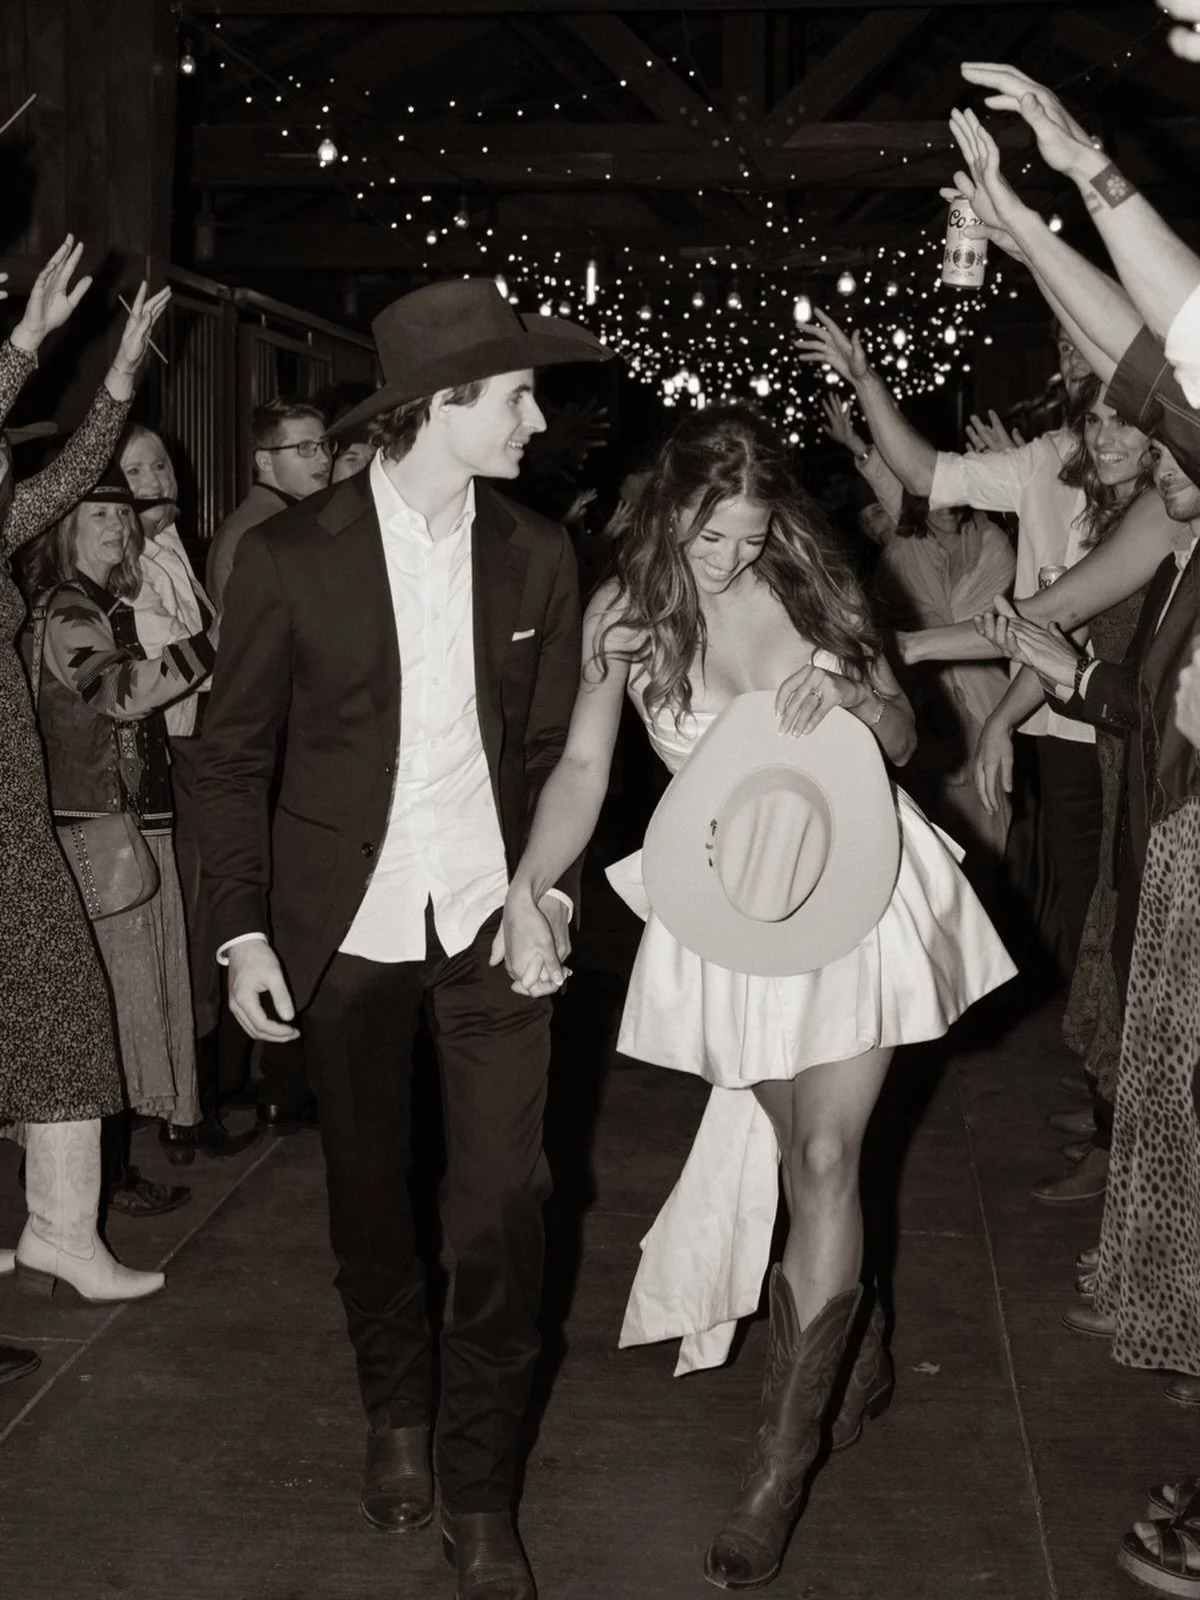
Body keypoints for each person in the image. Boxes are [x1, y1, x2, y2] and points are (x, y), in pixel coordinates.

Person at [499, 405, 1015, 1591]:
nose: (730, 559)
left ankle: (775, 1476)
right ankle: (855, 1322)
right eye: (709, 537)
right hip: (735, 903)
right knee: (796, 1154)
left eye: (748, 533)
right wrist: (534, 880)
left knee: (828, 1162)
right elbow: (584, 767)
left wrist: (848, 696)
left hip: (856, 887)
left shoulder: (816, 585)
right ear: (667, 514)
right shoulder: (625, 616)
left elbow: (901, 733)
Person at [196, 278, 612, 1600]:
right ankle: (397, 1413)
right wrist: (244, 934)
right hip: (346, 935)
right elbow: (227, 760)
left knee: (506, 1208)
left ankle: (482, 1489)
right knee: (370, 1194)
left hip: (492, 928)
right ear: (439, 410)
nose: (538, 419)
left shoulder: (540, 551)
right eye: (515, 396)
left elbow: (553, 751)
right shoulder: (290, 553)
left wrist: (545, 888)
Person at [975, 442, 1200, 1390]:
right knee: (1164, 1093)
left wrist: (1075, 676)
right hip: (1160, 833)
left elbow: (1171, 724)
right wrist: (1059, 670)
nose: (1165, 467)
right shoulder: (1178, 556)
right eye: (1168, 454)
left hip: (1182, 838)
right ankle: (1164, 1302)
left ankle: (1179, 1317)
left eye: (1179, 449)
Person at [0, 237, 169, 1309]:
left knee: (52, 1004)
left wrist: (115, 373)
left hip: (13, 813)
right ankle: (60, 1229)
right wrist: (22, 342)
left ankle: (61, 1229)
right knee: (58, 999)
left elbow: (66, 478)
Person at [27, 470, 217, 1181]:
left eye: (122, 517)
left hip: (122, 828)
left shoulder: (100, 605)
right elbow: (118, 694)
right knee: (105, 1007)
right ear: (65, 529)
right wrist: (212, 644)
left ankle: (95, 1186)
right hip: (94, 834)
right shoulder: (70, 610)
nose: (117, 527)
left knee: (126, 1003)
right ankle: (84, 1193)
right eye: (99, 515)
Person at [114, 423, 258, 1164]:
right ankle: (175, 1108)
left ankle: (184, 1103)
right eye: (135, 469)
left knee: (201, 918)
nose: (153, 479)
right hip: (168, 753)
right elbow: (175, 656)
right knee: (187, 919)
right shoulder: (122, 563)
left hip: (194, 744)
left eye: (160, 463)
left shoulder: (172, 544)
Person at [820, 394, 1016, 872]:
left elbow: (986, 626)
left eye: (953, 488)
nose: (946, 504)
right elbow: (901, 489)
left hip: (988, 706)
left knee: (992, 833)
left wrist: (915, 640)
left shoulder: (993, 545)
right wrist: (861, 448)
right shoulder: (908, 547)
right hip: (927, 717)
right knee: (935, 843)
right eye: (933, 495)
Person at [205, 396, 330, 609]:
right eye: (305, 447)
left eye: (325, 445)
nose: (325, 459)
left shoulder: (270, 516)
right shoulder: (264, 527)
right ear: (265, 461)